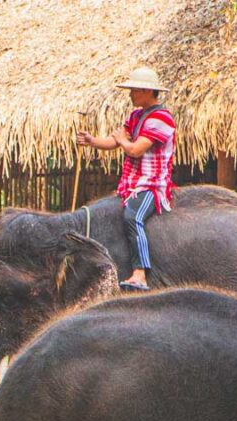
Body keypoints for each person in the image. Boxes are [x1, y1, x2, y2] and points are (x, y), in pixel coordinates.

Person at [76, 66, 176, 292]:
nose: (130, 95)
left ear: (147, 91)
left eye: (134, 90)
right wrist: (92, 141)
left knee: (133, 216)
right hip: (131, 184)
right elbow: (114, 141)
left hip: (151, 184)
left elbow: (135, 150)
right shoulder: (136, 116)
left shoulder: (162, 118)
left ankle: (140, 273)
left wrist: (122, 140)